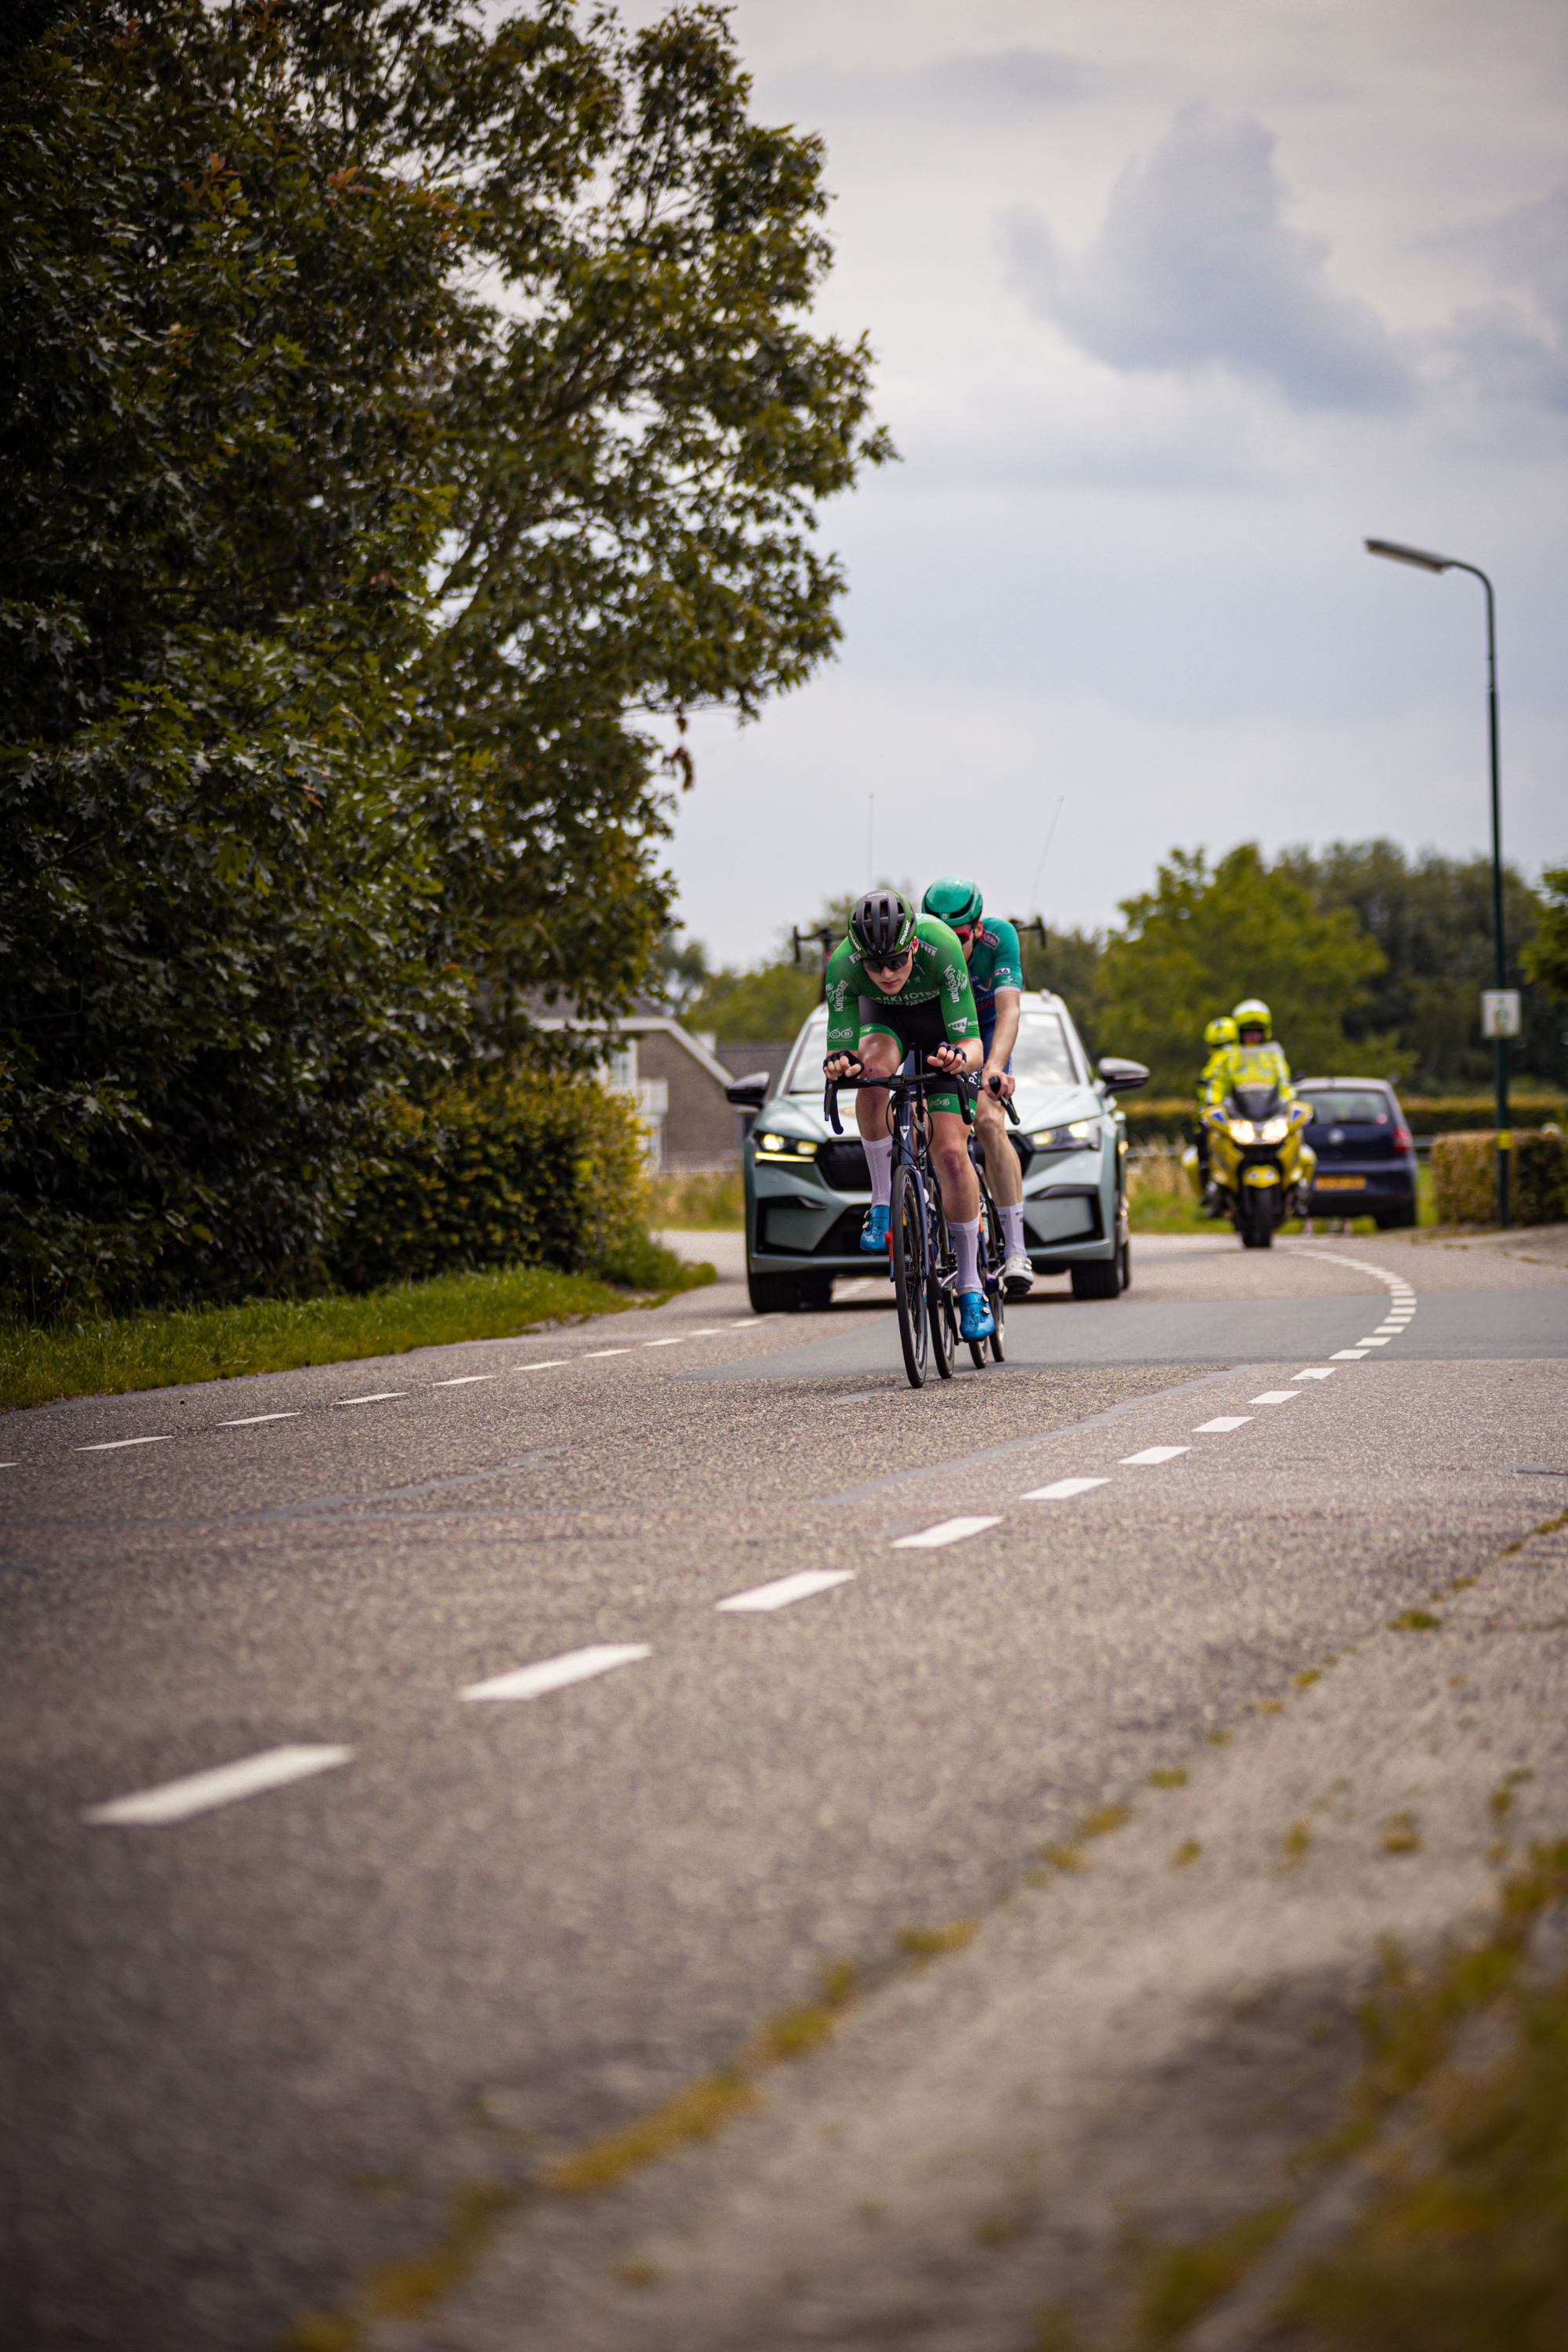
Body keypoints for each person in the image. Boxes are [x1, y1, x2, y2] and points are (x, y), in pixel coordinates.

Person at [821, 887, 993, 1342]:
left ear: (914, 945)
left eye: (896, 961)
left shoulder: (942, 947)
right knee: (871, 1072)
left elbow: (973, 1044)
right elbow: (840, 1049)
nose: (886, 973)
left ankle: (972, 1287)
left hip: (942, 1027)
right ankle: (881, 1202)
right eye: (874, 965)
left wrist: (959, 1060)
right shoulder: (843, 965)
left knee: (953, 1153)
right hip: (886, 1025)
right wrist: (840, 1064)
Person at [920, 877, 1033, 1297]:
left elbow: (1008, 1011)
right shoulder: (918, 945)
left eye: (961, 937)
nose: (954, 946)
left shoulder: (999, 938)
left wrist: (997, 1067)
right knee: (920, 1125)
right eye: (943, 936)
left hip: (982, 1032)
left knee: (987, 1120)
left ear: (979, 928)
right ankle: (933, 1226)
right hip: (938, 1034)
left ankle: (1017, 1250)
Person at [1195, 1014, 1239, 1207]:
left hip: (1223, 1117)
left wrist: (1206, 1113)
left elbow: (1207, 1094)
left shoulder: (1213, 1064)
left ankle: (1209, 1187)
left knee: (1202, 1143)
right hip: (1243, 1115)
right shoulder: (1245, 1059)